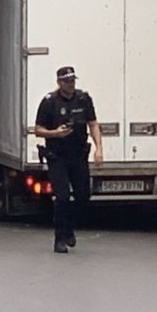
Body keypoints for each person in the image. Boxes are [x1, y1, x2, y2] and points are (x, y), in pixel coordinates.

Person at [34, 65, 104, 253]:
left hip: (78, 155)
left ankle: (69, 228)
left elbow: (93, 124)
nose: (70, 84)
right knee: (62, 197)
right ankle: (60, 238)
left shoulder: (83, 99)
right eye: (66, 81)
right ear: (59, 83)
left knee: (83, 195)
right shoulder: (49, 102)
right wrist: (55, 133)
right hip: (57, 156)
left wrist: (99, 149)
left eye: (72, 80)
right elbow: (37, 130)